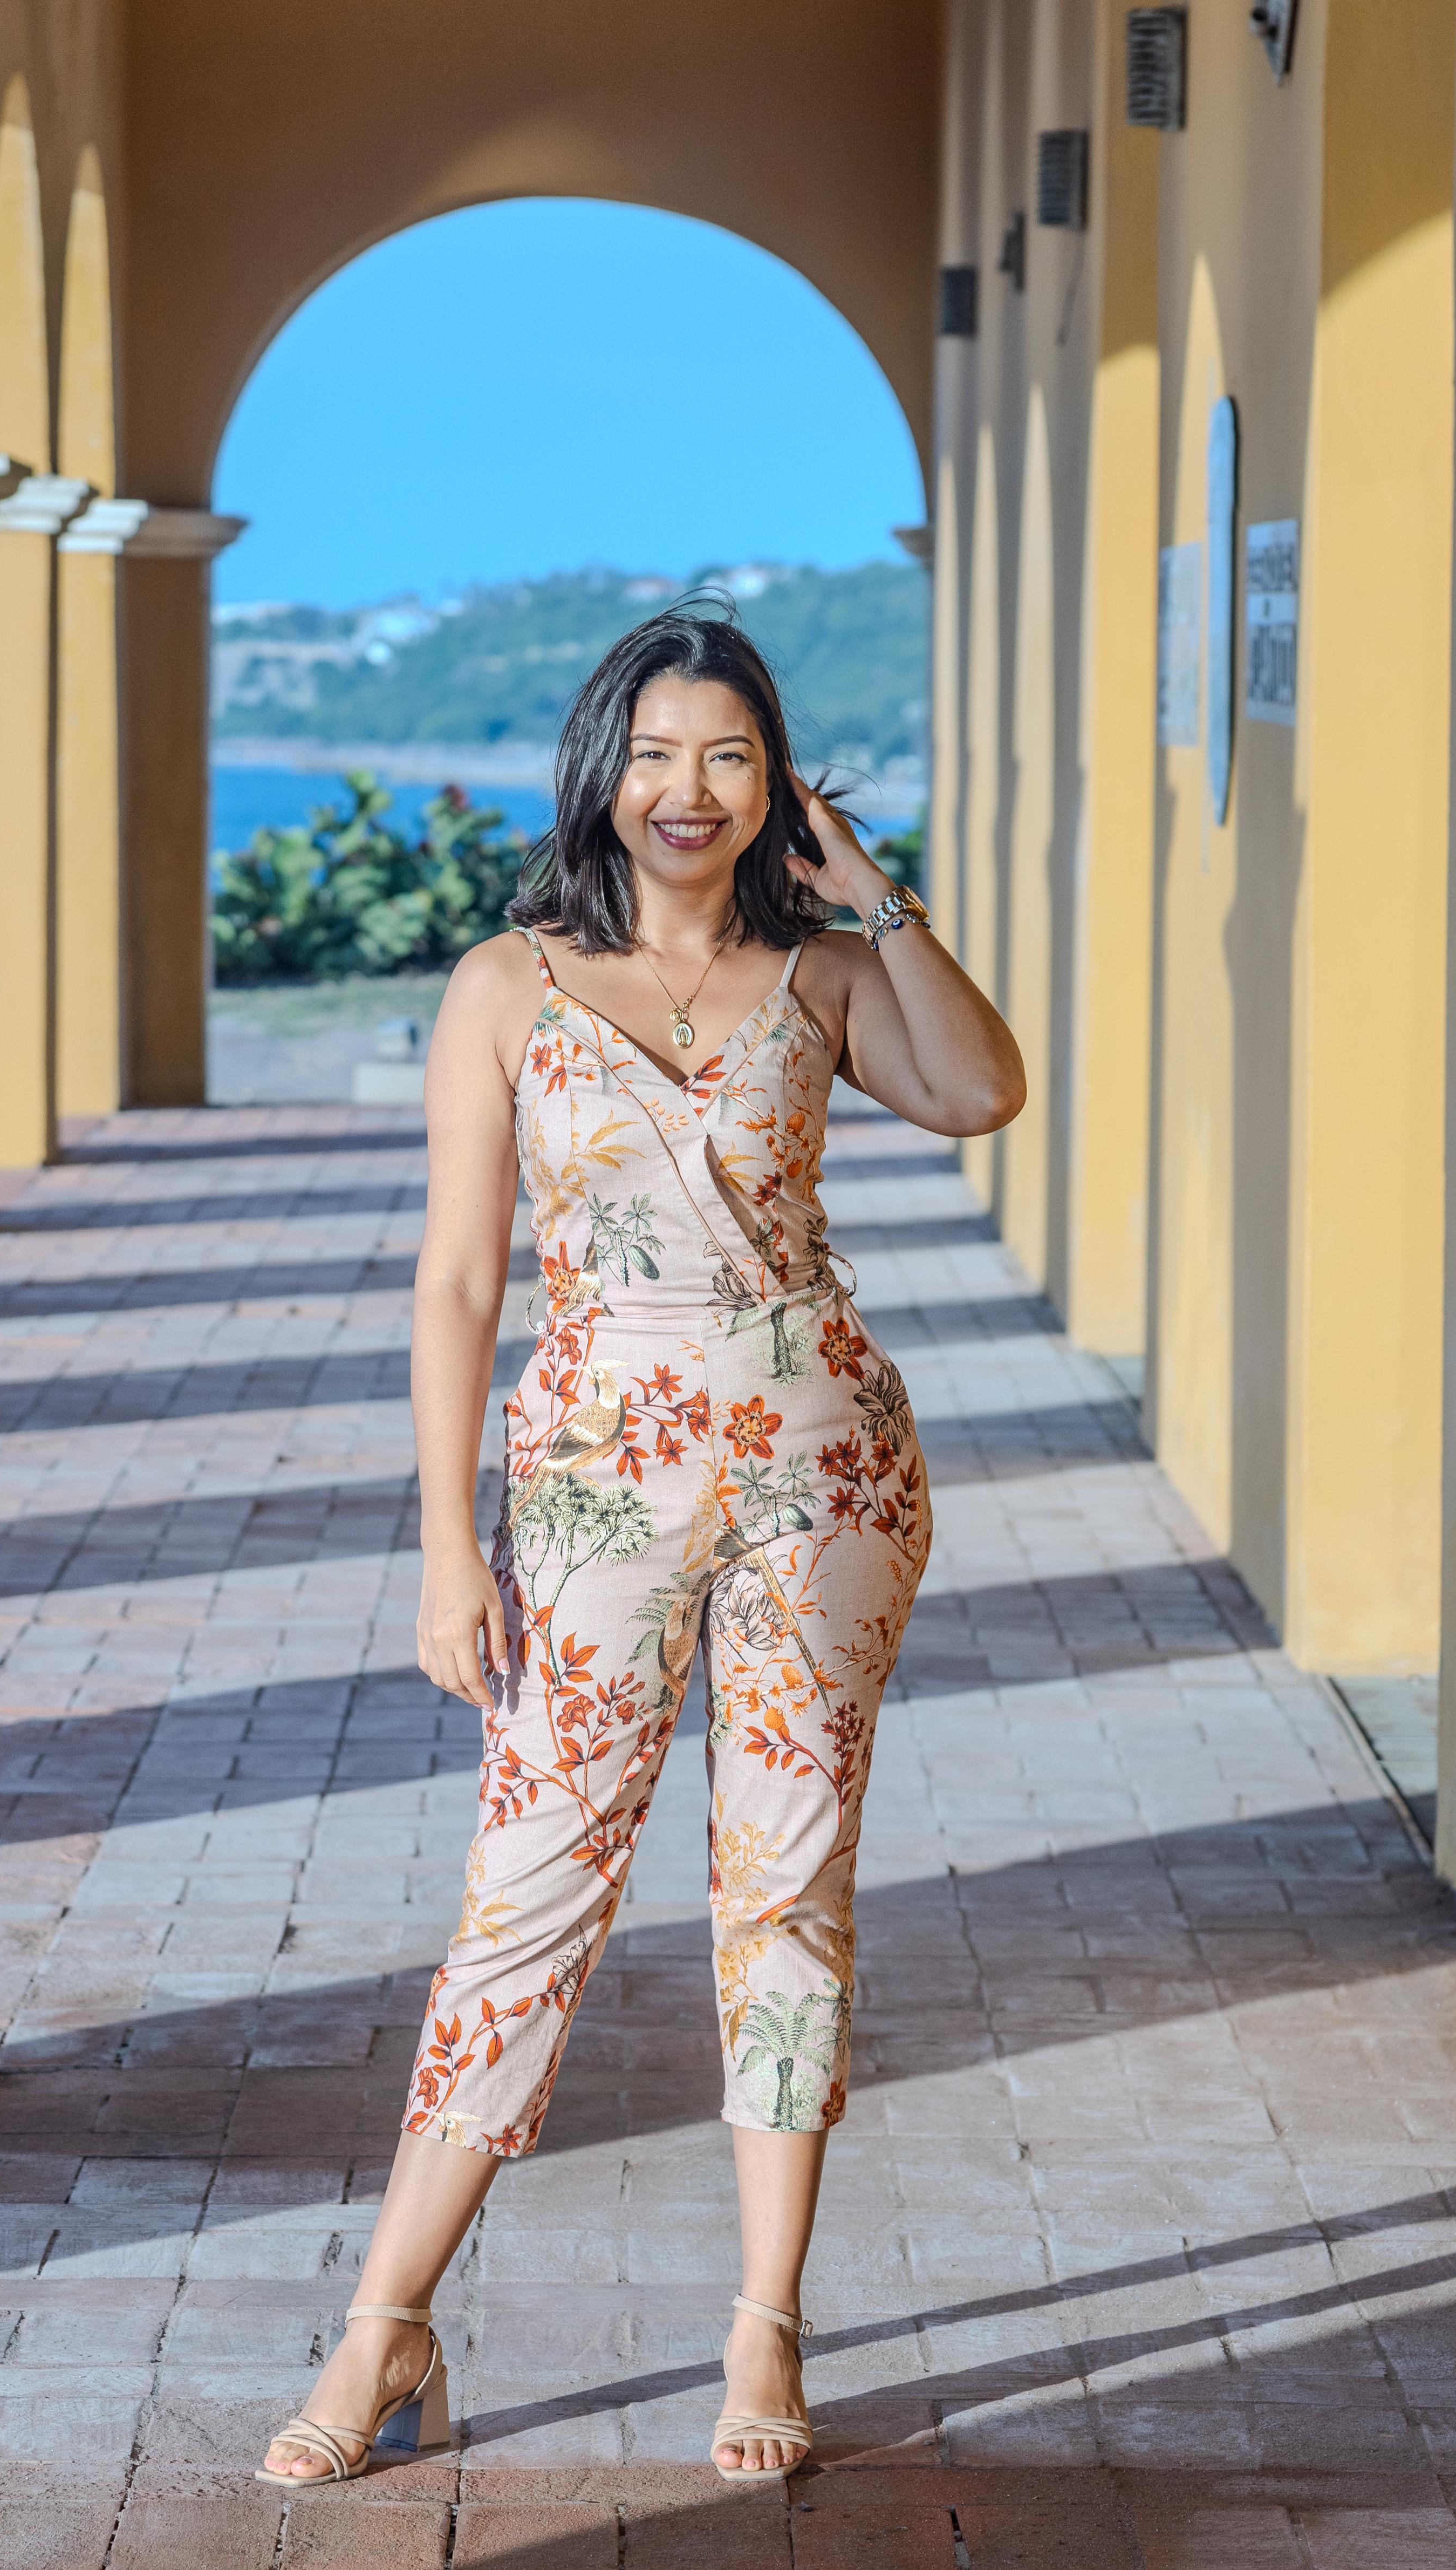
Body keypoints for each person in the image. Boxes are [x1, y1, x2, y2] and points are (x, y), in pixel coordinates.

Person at [258, 606, 1024, 2491]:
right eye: (660, 753)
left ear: (780, 785)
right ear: (603, 767)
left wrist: (877, 897)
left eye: (732, 757)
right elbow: (457, 1283)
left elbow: (981, 1091)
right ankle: (387, 2318)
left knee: (788, 1888)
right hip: (596, 1483)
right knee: (531, 1883)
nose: (692, 792)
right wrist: (448, 1547)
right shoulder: (505, 986)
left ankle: (767, 2322)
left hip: (824, 1477)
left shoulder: (827, 972)